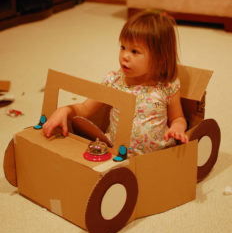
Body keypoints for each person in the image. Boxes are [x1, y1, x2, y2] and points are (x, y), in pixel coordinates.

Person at [43, 11, 189, 154]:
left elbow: (178, 118)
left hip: (157, 156)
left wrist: (177, 128)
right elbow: (85, 108)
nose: (125, 56)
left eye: (134, 51)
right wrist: (65, 110)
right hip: (116, 153)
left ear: (160, 58)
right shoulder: (114, 81)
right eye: (123, 47)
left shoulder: (167, 86)